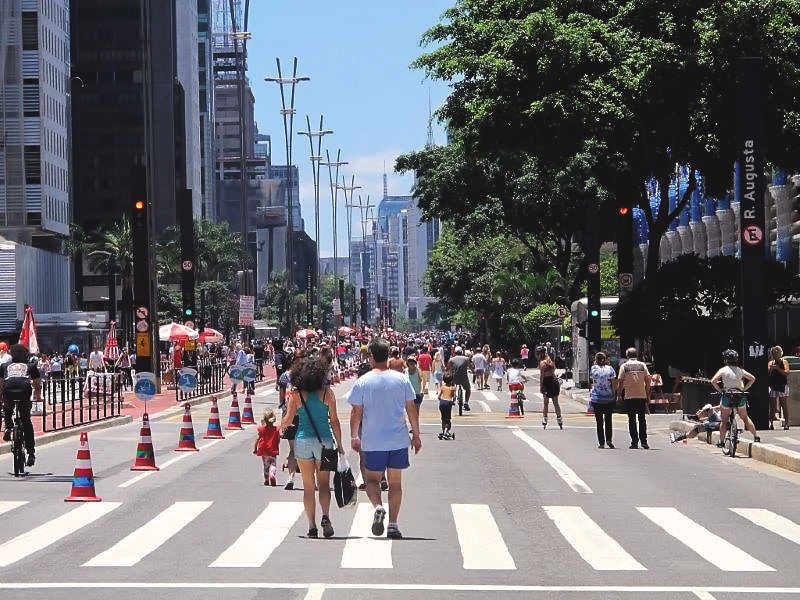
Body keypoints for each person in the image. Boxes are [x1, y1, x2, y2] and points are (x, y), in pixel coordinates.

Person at [349, 338, 422, 540]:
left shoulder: (363, 382)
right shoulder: (401, 380)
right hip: (398, 439)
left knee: (372, 480)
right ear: (388, 356)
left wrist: (354, 436)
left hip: (373, 441)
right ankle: (393, 524)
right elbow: (411, 409)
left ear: (371, 357)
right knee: (396, 484)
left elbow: (356, 412)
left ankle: (378, 506)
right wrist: (416, 435)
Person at [281, 355, 345, 538]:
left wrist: (284, 418)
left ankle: (311, 527)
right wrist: (339, 445)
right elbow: (334, 421)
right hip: (325, 441)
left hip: (302, 441)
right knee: (324, 484)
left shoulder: (296, 394)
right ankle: (325, 516)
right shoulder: (327, 393)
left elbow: (287, 421)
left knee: (309, 487)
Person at [1, 344, 41, 466]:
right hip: (24, 393)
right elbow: (37, 384)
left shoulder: (4, 366)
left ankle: (8, 427)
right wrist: (38, 398)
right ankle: (31, 453)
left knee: (7, 410)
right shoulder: (31, 366)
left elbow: (0, 383)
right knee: (26, 421)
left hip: (8, 392)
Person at [710, 349, 759, 445]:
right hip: (740, 395)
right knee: (745, 417)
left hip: (727, 396)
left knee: (724, 421)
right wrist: (744, 389)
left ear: (726, 360)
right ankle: (756, 436)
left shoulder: (723, 370)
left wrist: (720, 390)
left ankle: (722, 441)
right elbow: (752, 378)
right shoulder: (740, 370)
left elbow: (713, 381)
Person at [617, 347, 652, 449]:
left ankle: (634, 442)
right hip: (641, 395)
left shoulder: (624, 366)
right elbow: (648, 380)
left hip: (629, 396)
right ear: (637, 355)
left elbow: (620, 381)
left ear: (627, 356)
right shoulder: (642, 365)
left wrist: (619, 395)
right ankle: (644, 441)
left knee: (632, 419)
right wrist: (647, 393)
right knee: (642, 419)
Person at [590, 351, 617, 449]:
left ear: (596, 360)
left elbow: (592, 380)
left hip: (597, 398)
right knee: (608, 420)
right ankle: (609, 439)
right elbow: (614, 383)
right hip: (609, 398)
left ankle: (601, 442)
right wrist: (615, 394)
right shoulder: (610, 369)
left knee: (599, 421)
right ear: (605, 359)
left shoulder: (593, 369)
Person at [535, 347, 563, 429]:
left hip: (547, 382)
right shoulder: (550, 360)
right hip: (554, 381)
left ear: (541, 354)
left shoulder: (542, 363)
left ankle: (545, 419)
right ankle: (559, 419)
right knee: (556, 403)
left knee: (546, 403)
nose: (536, 356)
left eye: (537, 354)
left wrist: (541, 386)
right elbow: (553, 371)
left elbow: (542, 376)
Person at [254, 408, 281, 486]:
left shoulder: (261, 429)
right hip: (273, 450)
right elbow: (278, 439)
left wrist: (255, 448)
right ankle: (272, 474)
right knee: (273, 464)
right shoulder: (276, 429)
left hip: (264, 450)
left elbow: (257, 439)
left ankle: (266, 479)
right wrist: (277, 446)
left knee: (266, 466)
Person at [767, 345, 790, 430]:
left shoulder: (784, 362)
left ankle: (787, 423)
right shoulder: (770, 363)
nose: (776, 354)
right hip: (773, 385)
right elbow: (767, 374)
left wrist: (778, 369)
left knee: (784, 404)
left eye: (777, 353)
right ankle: (771, 422)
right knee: (772, 405)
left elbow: (787, 372)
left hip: (782, 385)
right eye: (774, 353)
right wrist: (771, 370)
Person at [447, 346, 471, 411]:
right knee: (468, 389)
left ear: (455, 352)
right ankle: (466, 402)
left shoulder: (451, 359)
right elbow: (470, 366)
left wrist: (447, 373)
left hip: (455, 378)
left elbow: (447, 368)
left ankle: (452, 399)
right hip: (464, 378)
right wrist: (473, 371)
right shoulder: (466, 359)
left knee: (451, 386)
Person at [438, 373, 456, 439]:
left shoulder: (442, 387)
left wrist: (442, 400)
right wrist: (452, 402)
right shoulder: (453, 388)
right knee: (448, 420)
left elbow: (439, 397)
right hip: (448, 403)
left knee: (443, 418)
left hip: (442, 402)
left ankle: (443, 431)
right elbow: (454, 398)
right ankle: (446, 432)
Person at [406, 356, 424, 420]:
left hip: (417, 393)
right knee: (410, 411)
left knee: (416, 411)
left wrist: (422, 390)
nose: (411, 363)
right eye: (409, 361)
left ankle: (415, 427)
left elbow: (421, 380)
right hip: (408, 394)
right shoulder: (405, 371)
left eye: (413, 361)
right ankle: (412, 426)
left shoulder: (418, 370)